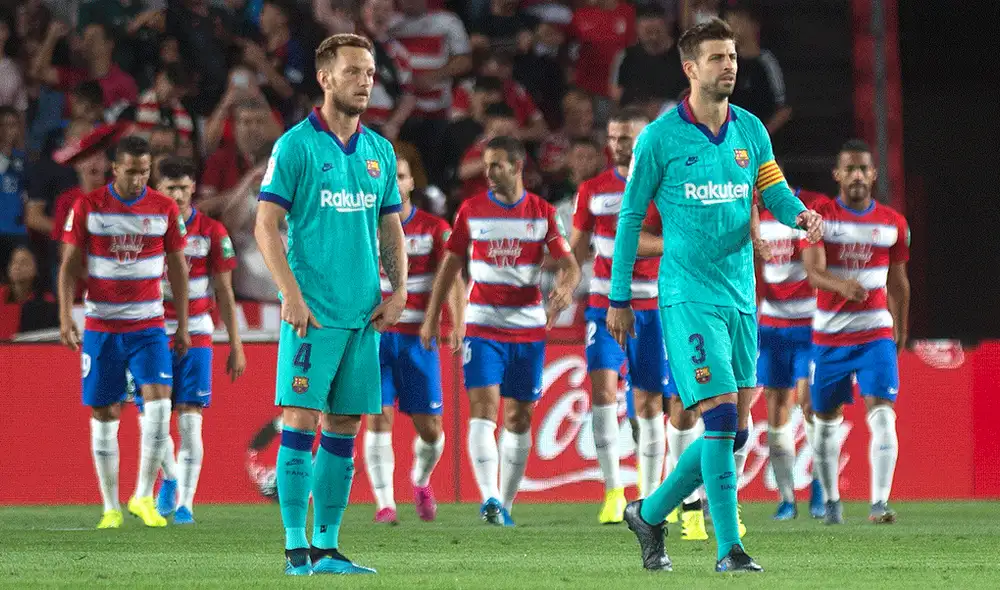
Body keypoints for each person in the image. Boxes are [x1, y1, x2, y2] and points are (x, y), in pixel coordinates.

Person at [606, 19, 822, 573]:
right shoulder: (659, 138)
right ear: (690, 69)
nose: (730, 65)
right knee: (722, 420)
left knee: (738, 429)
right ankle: (730, 550)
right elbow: (630, 218)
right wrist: (619, 297)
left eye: (732, 56)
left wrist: (798, 215)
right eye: (718, 58)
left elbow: (772, 188)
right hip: (687, 296)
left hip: (741, 298)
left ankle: (649, 513)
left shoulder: (751, 129)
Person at [254, 33, 407, 576]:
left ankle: (327, 546)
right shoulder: (295, 146)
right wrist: (289, 294)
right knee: (299, 419)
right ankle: (295, 547)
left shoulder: (379, 151)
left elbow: (391, 226)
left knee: (344, 424)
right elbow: (265, 225)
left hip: (363, 313)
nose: (365, 80)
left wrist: (401, 289)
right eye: (353, 72)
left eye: (369, 72)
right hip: (313, 311)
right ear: (324, 78)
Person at [421, 135, 581, 527]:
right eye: (486, 165)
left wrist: (564, 286)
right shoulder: (471, 211)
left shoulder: (541, 212)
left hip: (528, 328)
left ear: (516, 166)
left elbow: (570, 264)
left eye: (495, 165)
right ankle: (489, 497)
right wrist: (432, 317)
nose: (488, 173)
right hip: (483, 325)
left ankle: (505, 504)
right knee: (484, 409)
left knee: (520, 418)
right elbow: (450, 265)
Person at [58, 135, 190, 530]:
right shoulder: (89, 206)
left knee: (160, 405)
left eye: (144, 171)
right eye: (131, 171)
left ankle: (143, 497)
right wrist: (66, 316)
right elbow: (68, 266)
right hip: (101, 324)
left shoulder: (164, 208)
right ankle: (110, 507)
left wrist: (181, 323)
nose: (138, 179)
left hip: (148, 325)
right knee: (105, 412)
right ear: (115, 168)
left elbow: (179, 268)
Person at [569, 107, 674, 526]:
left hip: (652, 303)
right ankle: (613, 491)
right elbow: (577, 247)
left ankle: (649, 500)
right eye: (613, 138)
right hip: (602, 304)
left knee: (649, 403)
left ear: (644, 139)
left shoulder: (663, 185)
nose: (618, 145)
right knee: (603, 395)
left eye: (626, 138)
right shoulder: (592, 189)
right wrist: (564, 277)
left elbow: (673, 240)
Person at [802, 139, 910, 526]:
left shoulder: (893, 222)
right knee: (826, 422)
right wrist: (840, 286)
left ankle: (879, 503)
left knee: (883, 416)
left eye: (864, 169)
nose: (857, 176)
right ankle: (831, 501)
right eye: (849, 169)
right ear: (837, 175)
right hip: (829, 337)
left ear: (874, 174)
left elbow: (899, 282)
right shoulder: (820, 216)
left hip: (875, 333)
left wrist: (902, 326)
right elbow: (812, 270)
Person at [363, 154, 466, 525]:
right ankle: (384, 503)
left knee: (431, 430)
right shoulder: (362, 226)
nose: (393, 183)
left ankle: (420, 480)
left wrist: (456, 320)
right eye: (386, 178)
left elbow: (452, 277)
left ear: (410, 184)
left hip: (417, 341)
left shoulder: (434, 228)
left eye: (400, 177)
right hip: (375, 337)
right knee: (377, 419)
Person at [147, 156, 245, 525]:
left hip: (199, 334)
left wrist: (235, 343)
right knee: (153, 423)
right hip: (152, 332)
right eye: (170, 188)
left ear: (193, 188)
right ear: (159, 191)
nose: (179, 194)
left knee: (190, 422)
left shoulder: (212, 232)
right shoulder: (147, 229)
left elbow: (225, 291)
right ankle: (170, 478)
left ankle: (185, 502)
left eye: (184, 187)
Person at [756, 186, 830, 521]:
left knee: (811, 403)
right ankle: (787, 499)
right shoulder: (747, 211)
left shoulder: (802, 209)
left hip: (809, 324)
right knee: (775, 409)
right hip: (771, 327)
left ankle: (820, 487)